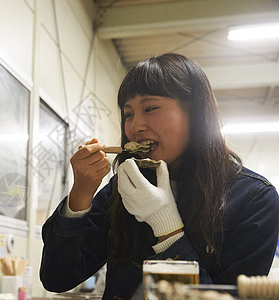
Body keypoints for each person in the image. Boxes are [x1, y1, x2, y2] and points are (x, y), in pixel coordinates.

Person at [39, 53, 279, 299]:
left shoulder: (254, 198)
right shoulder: (126, 185)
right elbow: (57, 277)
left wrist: (168, 229)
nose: (135, 127)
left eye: (151, 108)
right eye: (128, 113)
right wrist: (81, 193)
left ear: (195, 115)